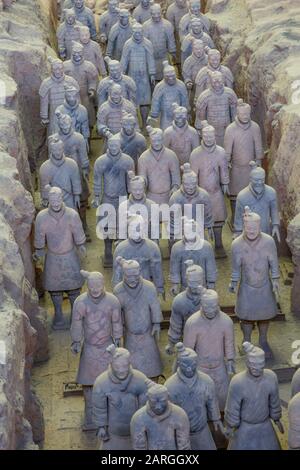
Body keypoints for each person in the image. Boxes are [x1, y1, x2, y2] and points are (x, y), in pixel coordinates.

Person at [71, 270, 123, 431]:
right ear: (87, 285)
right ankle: (90, 416)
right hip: (90, 348)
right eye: (92, 286)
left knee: (113, 383)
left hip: (108, 348)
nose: (95, 290)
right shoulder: (80, 302)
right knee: (88, 385)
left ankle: (113, 416)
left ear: (103, 285)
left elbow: (116, 322)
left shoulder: (113, 301)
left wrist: (118, 339)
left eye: (98, 286)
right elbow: (77, 323)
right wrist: (76, 341)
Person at [33, 187, 86, 330]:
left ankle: (76, 315)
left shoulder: (72, 214)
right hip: (53, 257)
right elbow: (39, 236)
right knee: (54, 289)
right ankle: (58, 314)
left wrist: (81, 245)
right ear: (48, 200)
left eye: (58, 199)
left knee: (74, 288)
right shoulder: (42, 217)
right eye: (52, 200)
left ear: (62, 198)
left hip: (70, 256)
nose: (55, 203)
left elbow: (78, 231)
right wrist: (38, 249)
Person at [225, 342, 283, 450]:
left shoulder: (271, 378)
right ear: (247, 362)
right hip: (245, 428)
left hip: (265, 425)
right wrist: (230, 426)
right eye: (253, 366)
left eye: (260, 366)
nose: (257, 369)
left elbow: (274, 402)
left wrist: (277, 419)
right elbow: (232, 409)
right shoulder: (238, 382)